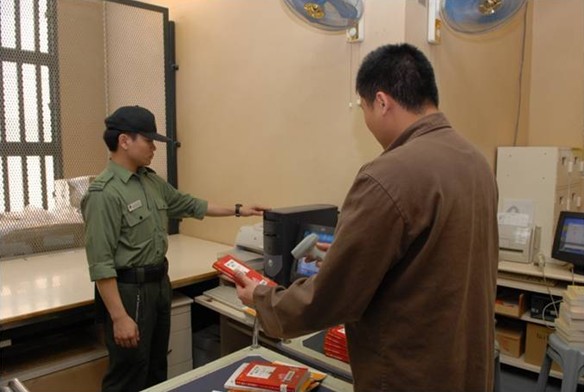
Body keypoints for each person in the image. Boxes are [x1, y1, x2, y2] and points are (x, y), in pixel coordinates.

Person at [235, 43, 499, 392]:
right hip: (463, 367)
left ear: (382, 101)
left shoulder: (387, 174)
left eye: (363, 108)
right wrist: (349, 254)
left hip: (409, 373)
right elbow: (434, 260)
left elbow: (330, 297)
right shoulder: (475, 162)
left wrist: (262, 298)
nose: (366, 120)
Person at [81, 105, 267, 392]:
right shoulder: (104, 193)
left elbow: (190, 204)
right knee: (129, 373)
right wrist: (119, 317)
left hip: (158, 286)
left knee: (157, 369)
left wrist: (240, 210)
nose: (154, 148)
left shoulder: (151, 181)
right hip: (130, 292)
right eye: (148, 140)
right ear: (124, 140)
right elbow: (100, 263)